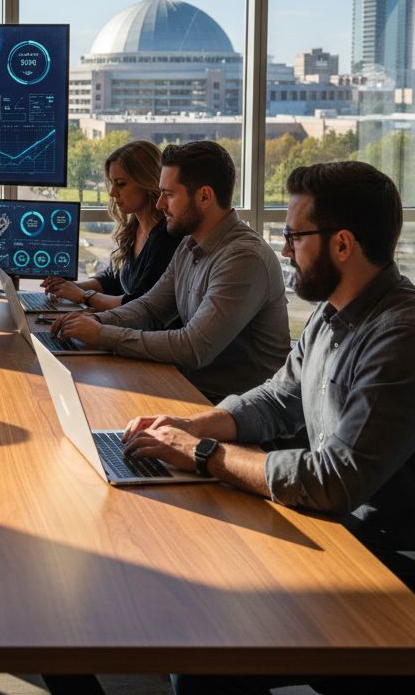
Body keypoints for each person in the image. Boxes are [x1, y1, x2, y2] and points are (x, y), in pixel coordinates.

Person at [122, 161, 415, 695]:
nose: (284, 250)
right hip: (337, 536)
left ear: (342, 245)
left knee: (207, 653)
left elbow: (335, 480)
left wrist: (205, 452)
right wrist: (187, 424)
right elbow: (278, 398)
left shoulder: (400, 337)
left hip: (385, 565)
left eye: (293, 236)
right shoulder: (331, 314)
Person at [51, 141, 290, 402]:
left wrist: (102, 334)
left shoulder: (243, 258)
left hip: (232, 409)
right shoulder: (190, 243)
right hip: (191, 389)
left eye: (169, 194)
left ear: (204, 197)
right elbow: (150, 308)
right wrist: (97, 321)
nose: (159, 204)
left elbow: (193, 347)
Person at [41, 139, 181, 310]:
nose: (112, 192)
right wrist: (70, 287)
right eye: (112, 183)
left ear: (147, 182)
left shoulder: (166, 239)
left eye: (121, 184)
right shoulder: (133, 229)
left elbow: (139, 304)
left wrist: (83, 296)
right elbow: (113, 279)